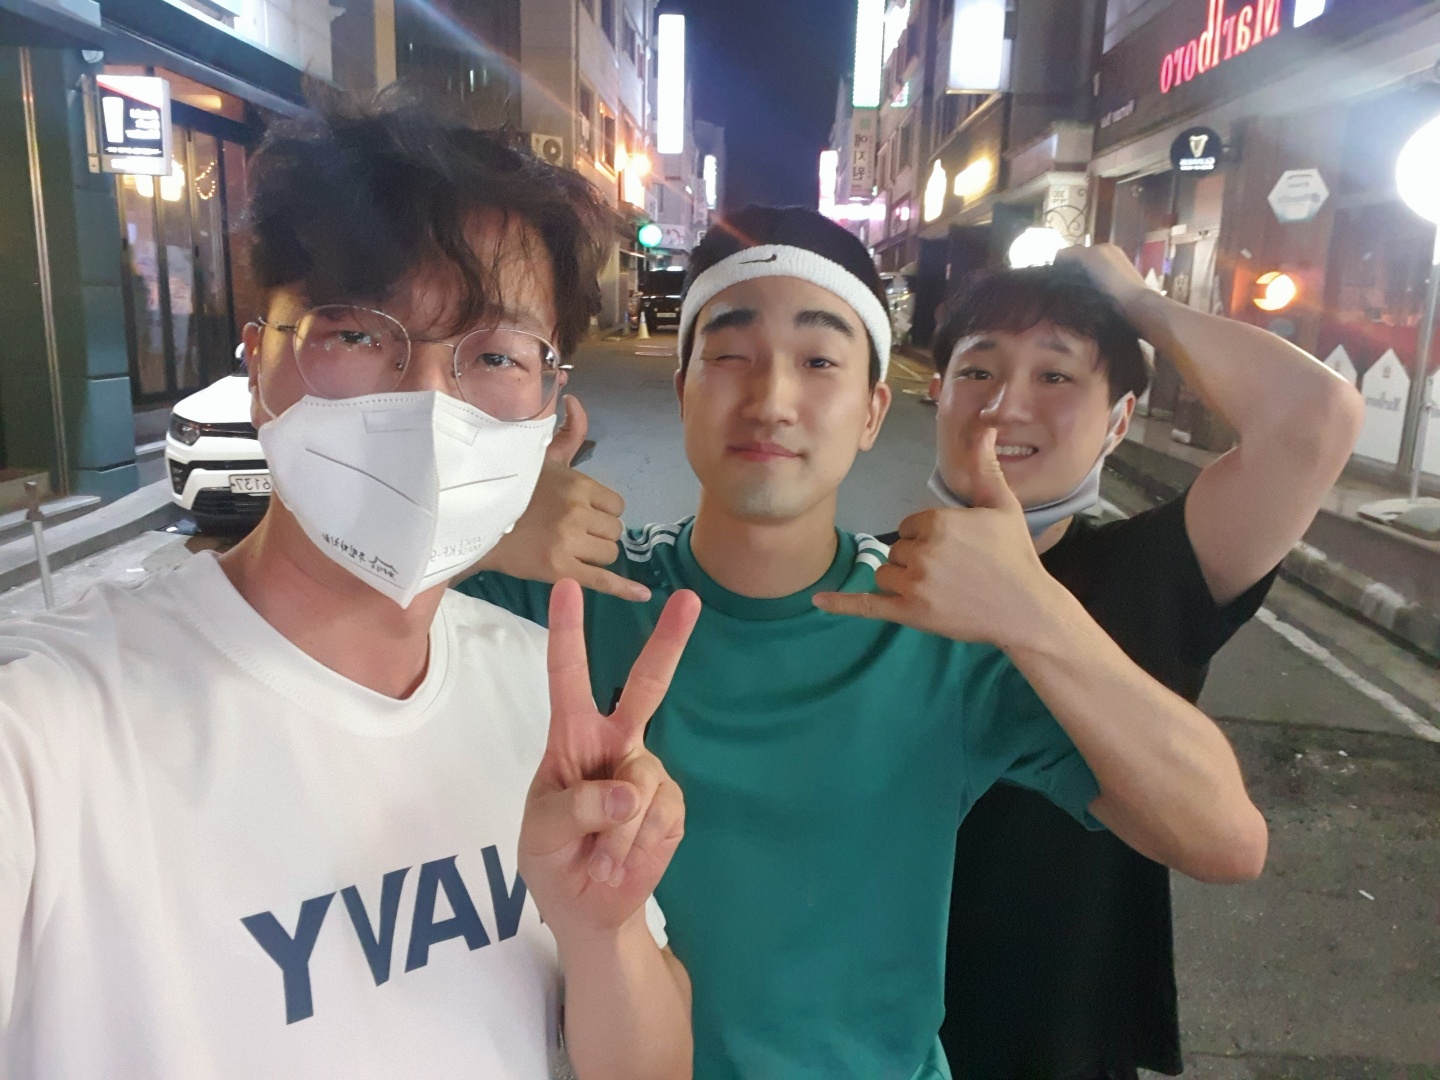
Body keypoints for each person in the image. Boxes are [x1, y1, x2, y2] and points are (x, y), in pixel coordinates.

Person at [462, 206, 1269, 1080]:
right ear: (684, 388)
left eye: (819, 361)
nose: (772, 401)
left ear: (873, 411)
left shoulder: (939, 632)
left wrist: (1037, 611)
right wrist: (470, 532)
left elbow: (1225, 839)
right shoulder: (569, 593)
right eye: (731, 354)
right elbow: (346, 622)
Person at [0, 92, 696, 1080]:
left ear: (552, 415)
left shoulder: (536, 704)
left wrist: (602, 930)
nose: (427, 401)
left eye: (495, 355)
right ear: (259, 365)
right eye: (360, 334)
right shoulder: (47, 736)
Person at [909, 248, 1364, 1079]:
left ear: (1119, 423)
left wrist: (1132, 297)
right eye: (978, 371)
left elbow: (1317, 415)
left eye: (1055, 376)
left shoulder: (1151, 569)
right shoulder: (865, 580)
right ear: (936, 395)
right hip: (862, 1030)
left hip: (1059, 1039)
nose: (1004, 406)